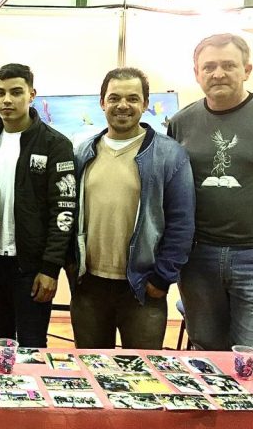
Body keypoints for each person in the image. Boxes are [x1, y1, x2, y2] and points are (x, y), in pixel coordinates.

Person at [168, 33, 253, 351]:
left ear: (247, 70)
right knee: (206, 357)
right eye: (209, 66)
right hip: (198, 259)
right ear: (197, 73)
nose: (218, 74)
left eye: (229, 65)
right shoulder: (181, 123)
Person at [70, 67, 195, 349]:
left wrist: (162, 278)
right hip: (89, 287)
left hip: (143, 288)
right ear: (102, 102)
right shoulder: (82, 152)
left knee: (143, 370)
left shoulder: (170, 154)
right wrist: (70, 264)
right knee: (90, 368)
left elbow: (182, 223)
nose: (123, 105)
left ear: (145, 103)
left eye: (132, 98)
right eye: (114, 98)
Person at [0, 63, 76, 348]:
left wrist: (50, 269)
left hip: (32, 269)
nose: (7, 100)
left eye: (16, 92)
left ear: (32, 94)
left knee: (32, 347)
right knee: (0, 341)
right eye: (0, 93)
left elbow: (64, 211)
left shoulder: (55, 144)